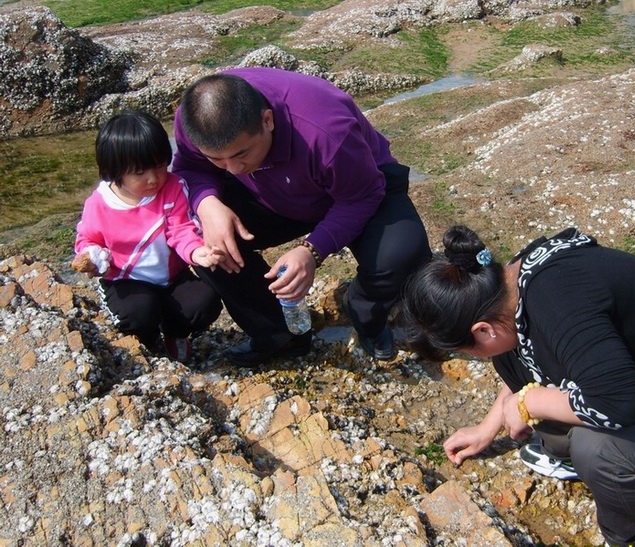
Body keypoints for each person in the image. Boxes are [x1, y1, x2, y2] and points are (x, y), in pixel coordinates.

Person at [401, 225, 635, 546]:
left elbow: (616, 404)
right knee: (528, 387)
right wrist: (490, 424)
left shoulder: (559, 296)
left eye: (470, 351)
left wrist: (530, 402)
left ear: (482, 330)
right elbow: (529, 350)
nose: (477, 357)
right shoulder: (509, 288)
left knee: (599, 448)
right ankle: (602, 463)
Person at [171, 67, 431, 366]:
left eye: (241, 153)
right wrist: (207, 204)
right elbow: (190, 168)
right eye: (217, 159)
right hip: (269, 194)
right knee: (200, 239)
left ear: (267, 120)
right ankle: (278, 331)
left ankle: (363, 310)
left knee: (404, 257)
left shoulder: (326, 130)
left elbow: (362, 196)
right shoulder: (197, 119)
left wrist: (312, 249)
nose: (232, 168)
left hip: (356, 186)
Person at [73, 111, 224, 363]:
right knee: (139, 313)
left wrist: (196, 251)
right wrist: (91, 257)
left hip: (171, 278)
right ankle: (148, 337)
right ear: (115, 171)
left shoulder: (173, 188)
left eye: (159, 165)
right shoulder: (99, 204)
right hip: (126, 279)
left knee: (204, 302)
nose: (154, 178)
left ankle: (176, 333)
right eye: (140, 172)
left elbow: (181, 229)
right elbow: (87, 240)